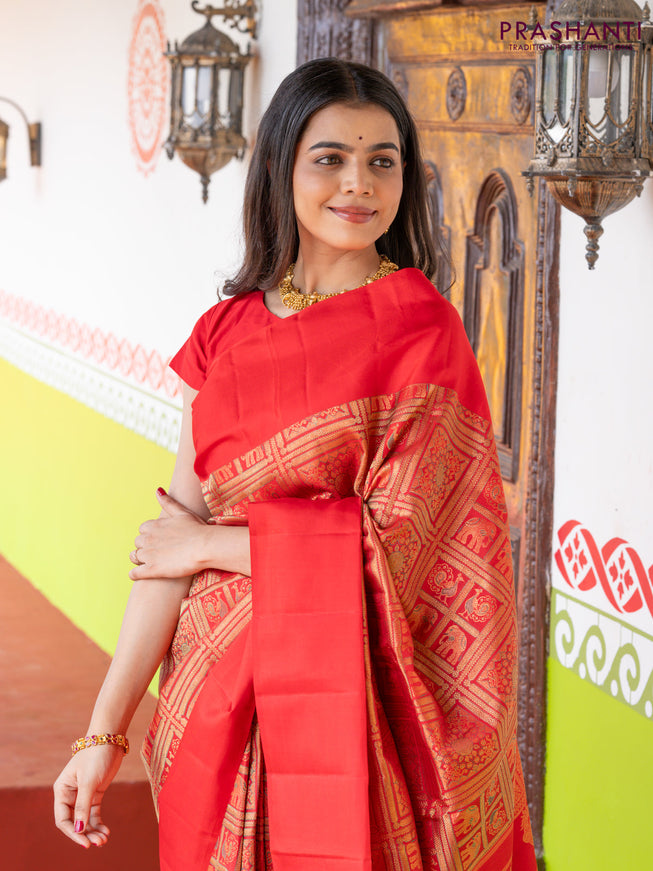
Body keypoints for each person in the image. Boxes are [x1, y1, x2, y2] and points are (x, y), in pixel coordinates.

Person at [54, 58, 537, 871]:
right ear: (280, 165)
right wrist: (104, 731)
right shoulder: (222, 333)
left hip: (363, 711)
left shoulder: (422, 332)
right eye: (330, 158)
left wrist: (211, 546)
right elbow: (165, 553)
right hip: (216, 704)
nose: (358, 184)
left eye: (382, 160)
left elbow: (404, 550)